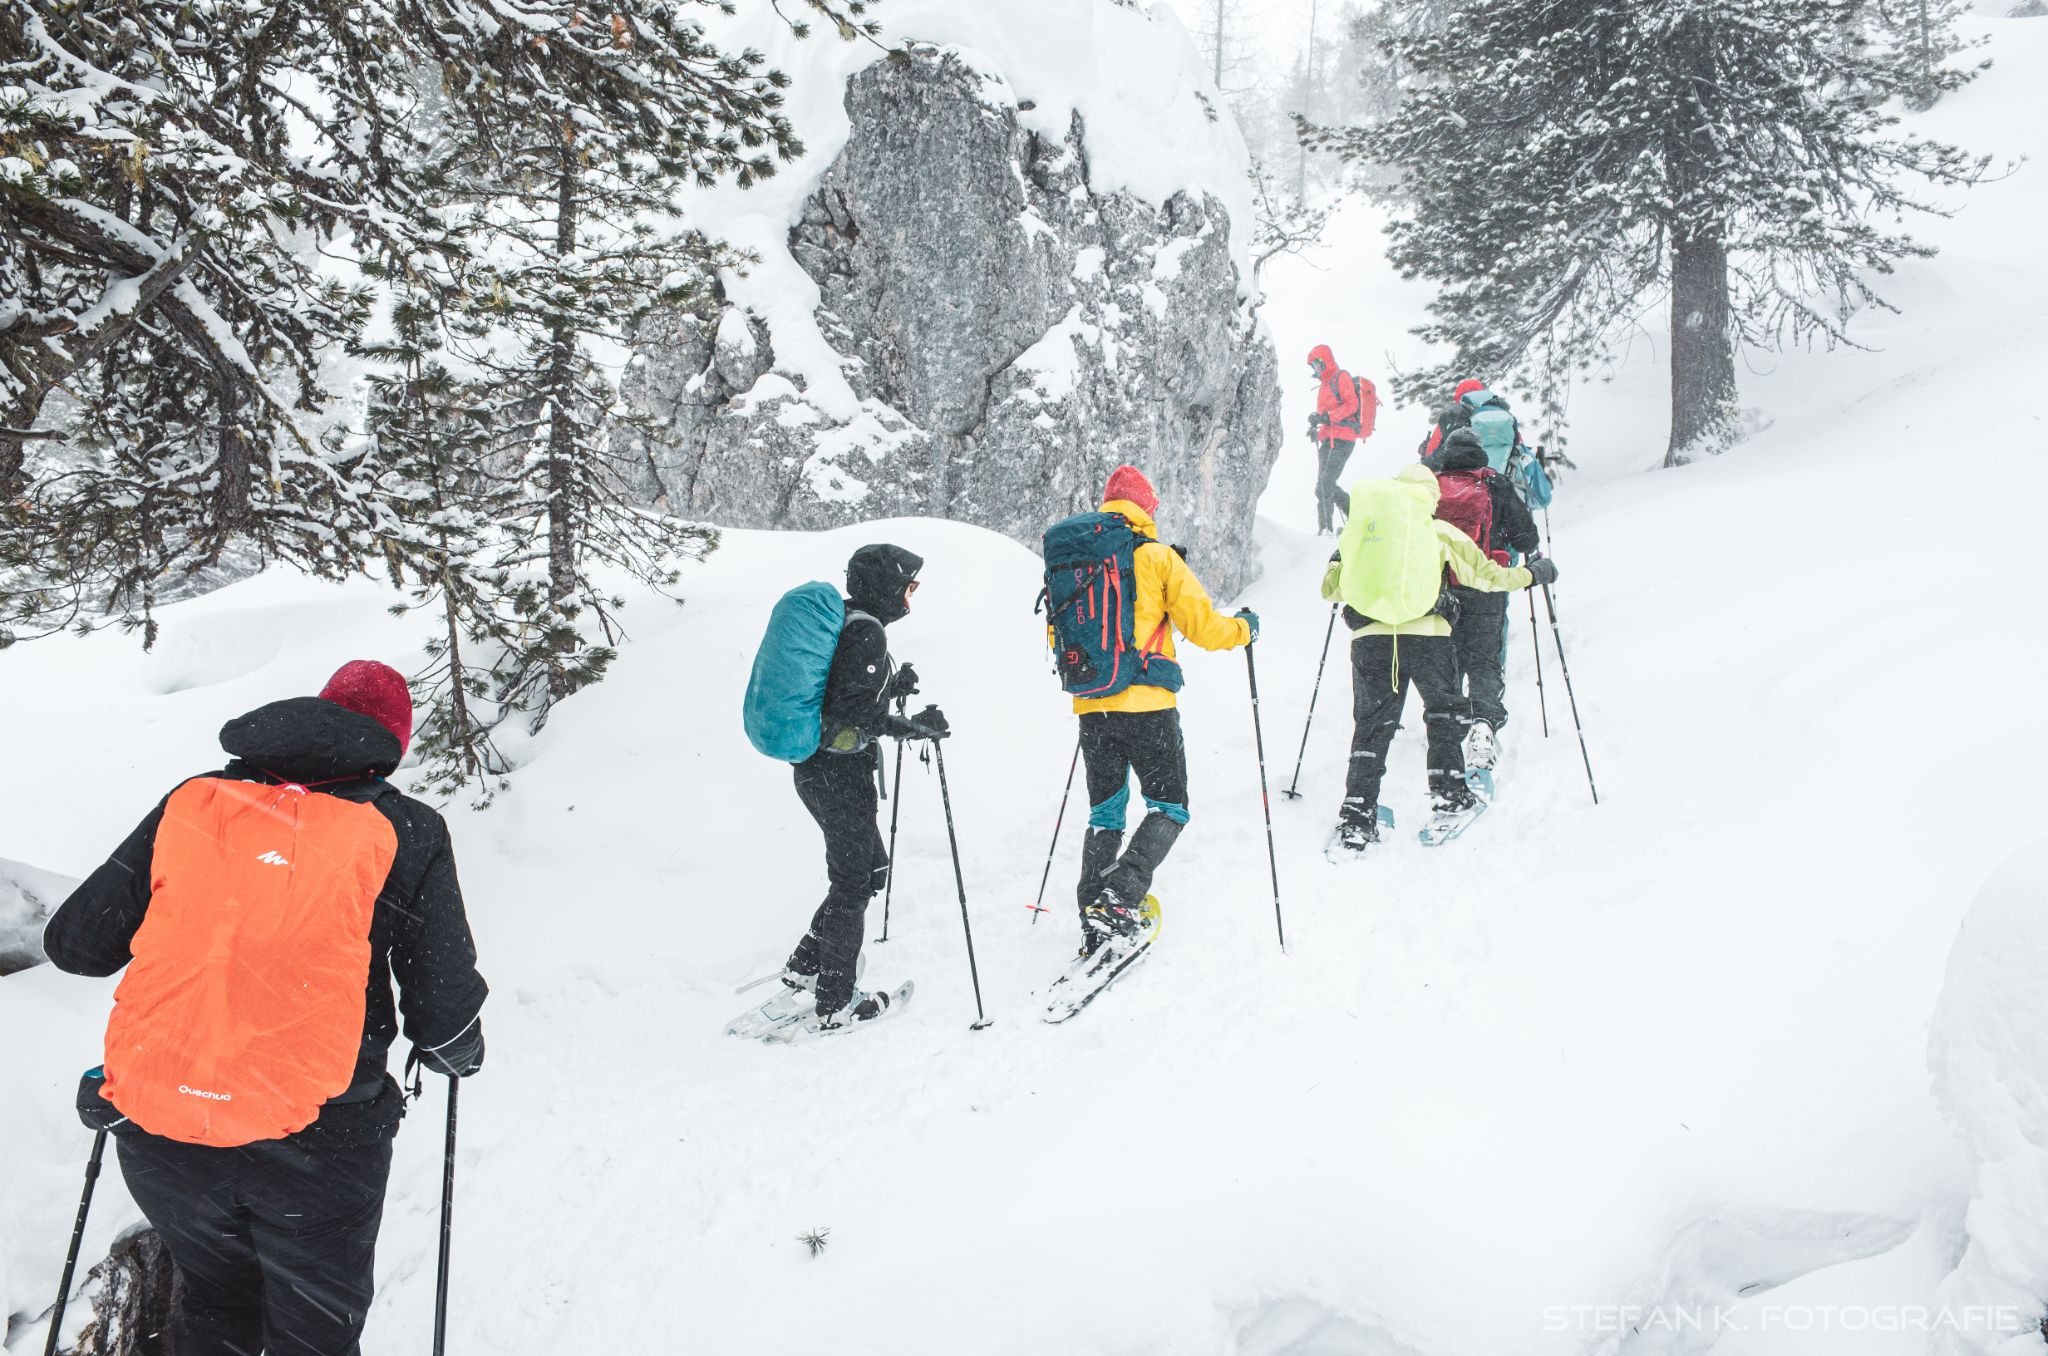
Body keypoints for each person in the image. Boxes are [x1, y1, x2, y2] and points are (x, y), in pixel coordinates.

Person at [43, 659, 488, 1356]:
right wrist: (458, 1052)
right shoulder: (408, 828)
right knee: (314, 1337)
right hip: (319, 1143)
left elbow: (77, 945)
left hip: (167, 1128)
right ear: (391, 744)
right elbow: (444, 1012)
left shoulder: (196, 801)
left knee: (217, 1301)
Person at [1321, 465, 1558, 855]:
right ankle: (1449, 797)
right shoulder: (1438, 531)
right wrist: (1533, 574)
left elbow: (1329, 589)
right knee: (1444, 715)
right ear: (1429, 498)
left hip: (1370, 640)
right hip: (1428, 637)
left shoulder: (1362, 534)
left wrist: (1340, 558)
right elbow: (1487, 577)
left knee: (1372, 727)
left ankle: (1357, 816)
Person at [1067, 465, 1255, 951]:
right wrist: (1245, 630)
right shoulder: (1156, 557)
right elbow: (1206, 629)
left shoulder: (1077, 562)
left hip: (1092, 707)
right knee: (1170, 806)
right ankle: (1122, 896)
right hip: (1148, 706)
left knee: (1106, 814)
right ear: (1147, 509)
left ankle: (1094, 908)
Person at [780, 543, 944, 1028]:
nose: (910, 597)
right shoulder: (865, 633)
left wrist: (892, 688)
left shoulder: (849, 622)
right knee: (852, 883)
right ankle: (836, 1002)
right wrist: (913, 727)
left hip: (818, 769)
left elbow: (842, 695)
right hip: (839, 775)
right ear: (888, 585)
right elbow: (857, 714)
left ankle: (808, 965)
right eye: (908, 586)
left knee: (870, 871)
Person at [1425, 427, 1543, 770]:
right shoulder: (1494, 484)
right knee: (1483, 660)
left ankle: (1448, 728)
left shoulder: (1430, 487)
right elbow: (1526, 538)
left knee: (1446, 661)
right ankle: (1483, 727)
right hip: (1485, 588)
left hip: (1439, 590)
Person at [1307, 345, 1377, 534]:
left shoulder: (1341, 377)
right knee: (1320, 487)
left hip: (1344, 439)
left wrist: (1326, 417)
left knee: (1326, 483)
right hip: (1328, 440)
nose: (1316, 368)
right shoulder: (1323, 385)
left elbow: (1352, 405)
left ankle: (1326, 530)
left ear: (1325, 361)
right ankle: (1354, 517)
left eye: (1317, 363)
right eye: (1313, 365)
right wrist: (1317, 431)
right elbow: (1327, 418)